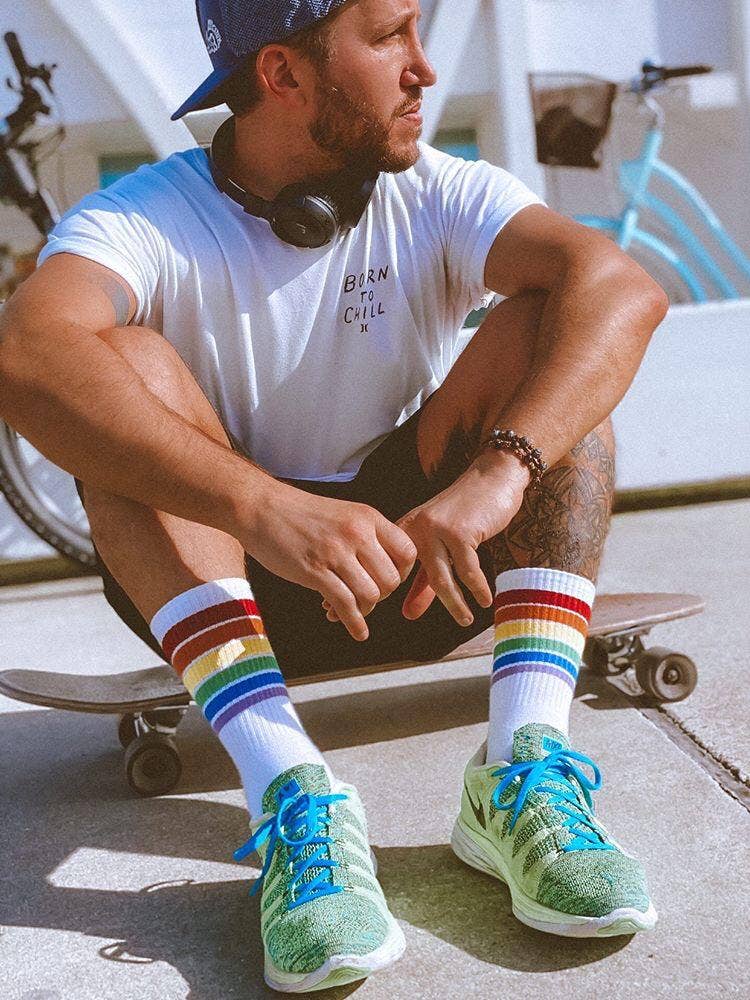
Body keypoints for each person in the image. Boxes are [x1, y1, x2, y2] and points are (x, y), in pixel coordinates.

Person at [0, 0, 669, 992]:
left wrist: (497, 477)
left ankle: (521, 768)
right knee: (118, 363)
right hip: (228, 594)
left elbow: (622, 287)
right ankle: (289, 792)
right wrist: (262, 508)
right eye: (390, 35)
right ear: (281, 74)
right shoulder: (140, 219)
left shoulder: (441, 190)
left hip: (428, 573)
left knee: (556, 328)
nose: (423, 69)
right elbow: (25, 354)